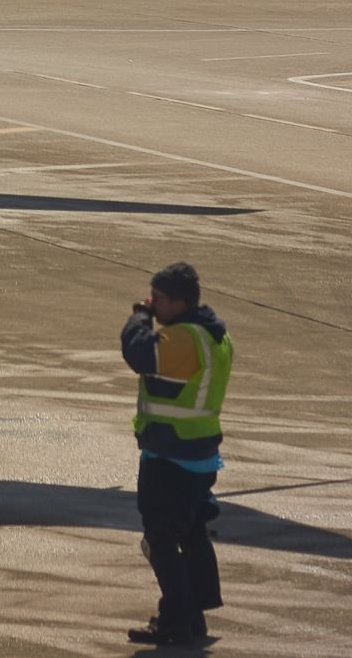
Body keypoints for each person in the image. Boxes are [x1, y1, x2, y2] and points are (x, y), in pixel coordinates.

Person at [121, 260, 231, 647]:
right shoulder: (214, 335)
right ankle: (195, 614)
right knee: (191, 534)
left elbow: (138, 353)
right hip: (199, 452)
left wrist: (138, 317)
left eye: (159, 299)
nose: (154, 305)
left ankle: (175, 621)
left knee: (160, 539)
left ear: (180, 303)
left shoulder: (184, 338)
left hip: (173, 455)